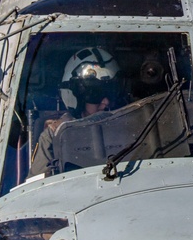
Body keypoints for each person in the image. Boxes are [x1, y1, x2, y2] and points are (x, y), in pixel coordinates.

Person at [29, 46, 123, 177]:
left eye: (110, 92)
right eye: (95, 94)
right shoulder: (54, 135)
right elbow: (38, 187)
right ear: (74, 97)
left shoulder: (131, 125)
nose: (106, 102)